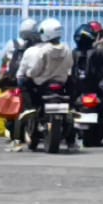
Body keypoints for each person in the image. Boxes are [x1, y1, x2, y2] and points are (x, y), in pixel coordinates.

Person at [9, 18, 74, 152]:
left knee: (24, 85)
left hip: (42, 84)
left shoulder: (43, 50)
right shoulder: (67, 48)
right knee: (70, 108)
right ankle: (71, 141)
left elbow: (35, 69)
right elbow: (70, 65)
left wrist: (29, 74)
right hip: (60, 84)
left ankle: (30, 108)